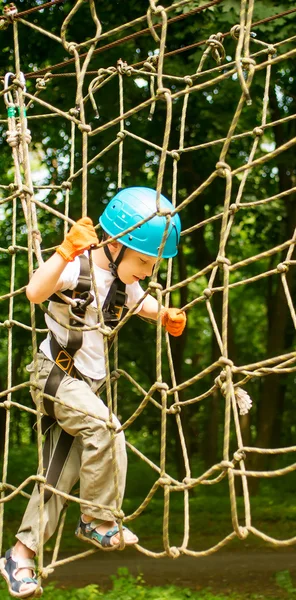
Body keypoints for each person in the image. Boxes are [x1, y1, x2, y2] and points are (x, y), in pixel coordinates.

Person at [0, 187, 186, 598]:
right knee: (107, 428)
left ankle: (19, 557)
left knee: (58, 478)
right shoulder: (76, 266)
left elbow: (142, 304)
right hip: (55, 377)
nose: (147, 272)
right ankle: (97, 519)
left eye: (153, 266)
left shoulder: (125, 280)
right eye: (143, 262)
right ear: (117, 245)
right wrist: (64, 251)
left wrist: (165, 315)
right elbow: (34, 292)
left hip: (85, 388)